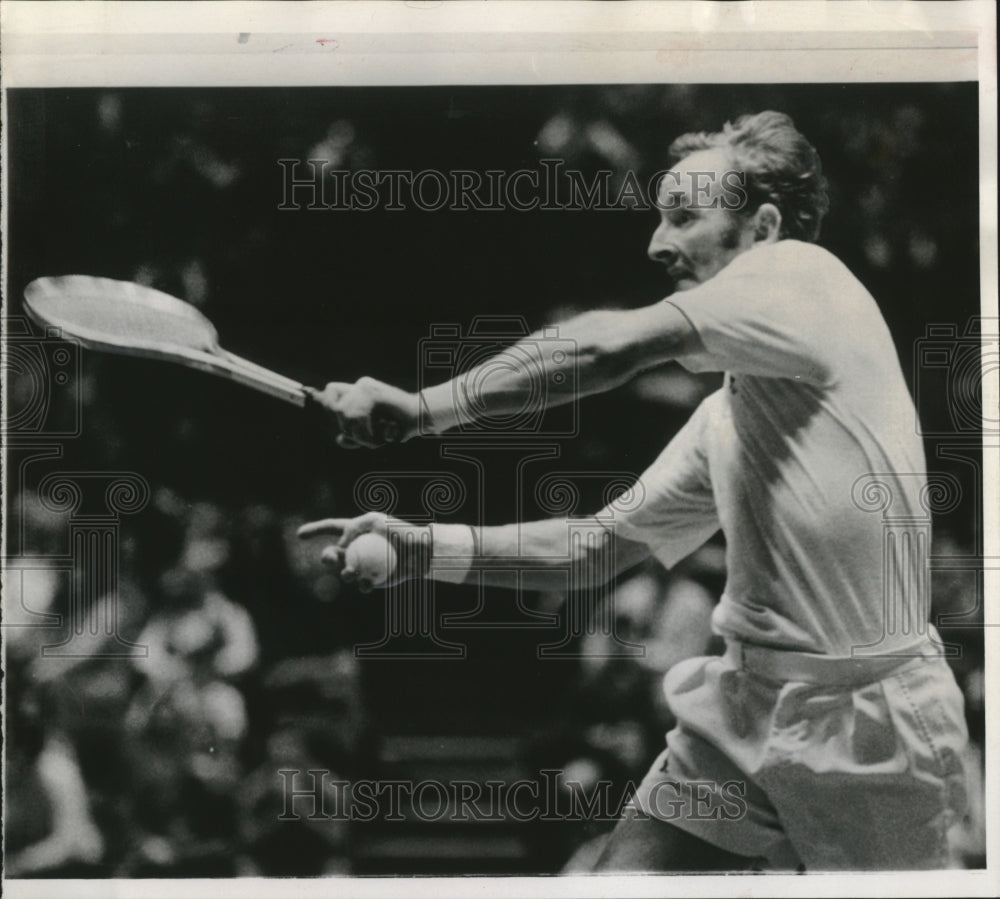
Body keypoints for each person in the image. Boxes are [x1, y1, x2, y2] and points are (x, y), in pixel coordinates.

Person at [298, 111, 969, 871]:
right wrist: (423, 549)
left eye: (684, 216)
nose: (657, 242)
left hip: (870, 727)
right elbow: (589, 551)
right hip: (741, 718)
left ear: (764, 227)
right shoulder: (732, 413)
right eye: (659, 217)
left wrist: (425, 410)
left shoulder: (804, 274)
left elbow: (604, 346)